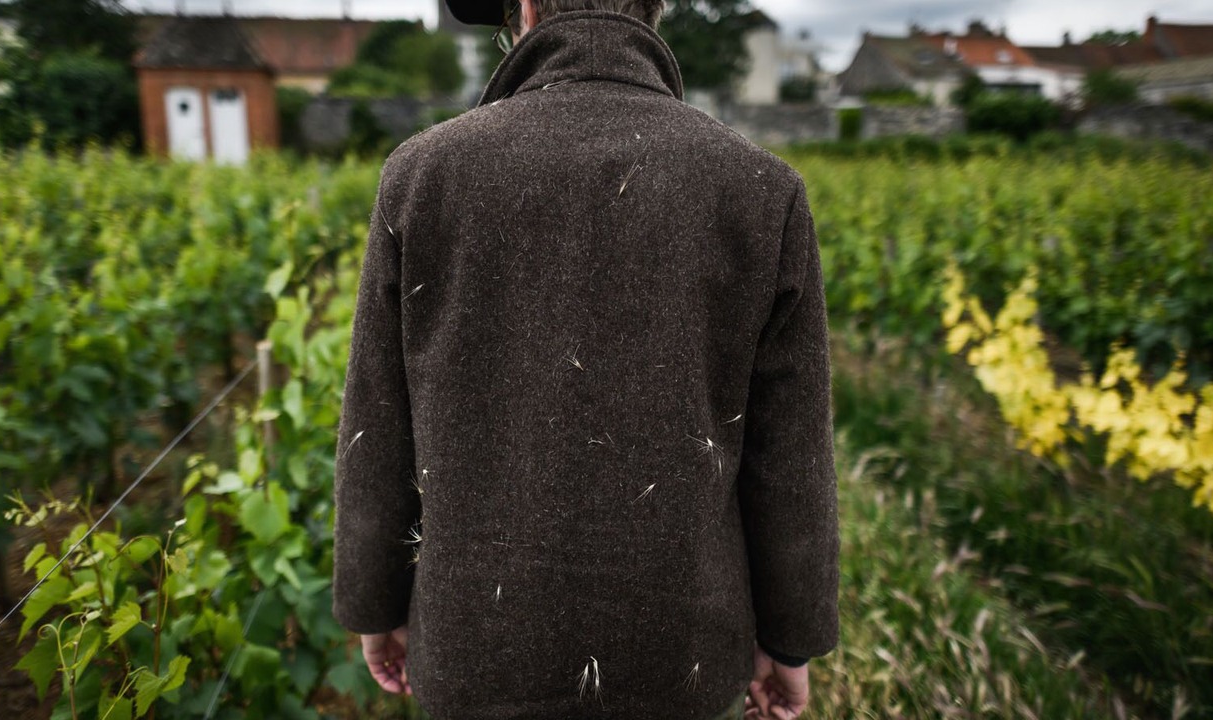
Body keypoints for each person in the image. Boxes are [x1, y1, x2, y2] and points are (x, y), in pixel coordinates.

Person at [331, 1, 839, 718]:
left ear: (524, 9)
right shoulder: (762, 191)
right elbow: (789, 460)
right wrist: (790, 643)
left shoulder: (422, 176)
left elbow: (378, 424)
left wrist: (373, 604)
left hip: (478, 651)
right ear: (656, 8)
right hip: (681, 661)